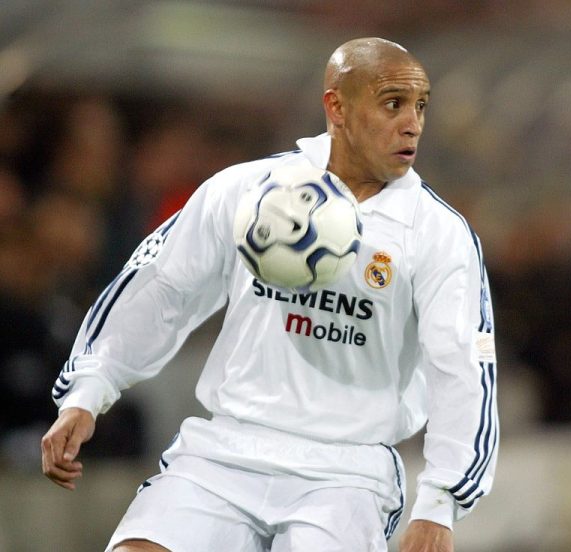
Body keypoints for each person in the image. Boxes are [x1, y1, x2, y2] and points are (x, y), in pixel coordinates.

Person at [41, 37, 498, 552]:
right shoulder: (247, 190)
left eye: (420, 106)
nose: (412, 123)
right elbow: (161, 286)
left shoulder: (438, 232)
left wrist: (439, 503)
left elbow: (462, 367)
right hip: (226, 451)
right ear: (337, 107)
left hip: (346, 473)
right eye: (393, 103)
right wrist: (88, 390)